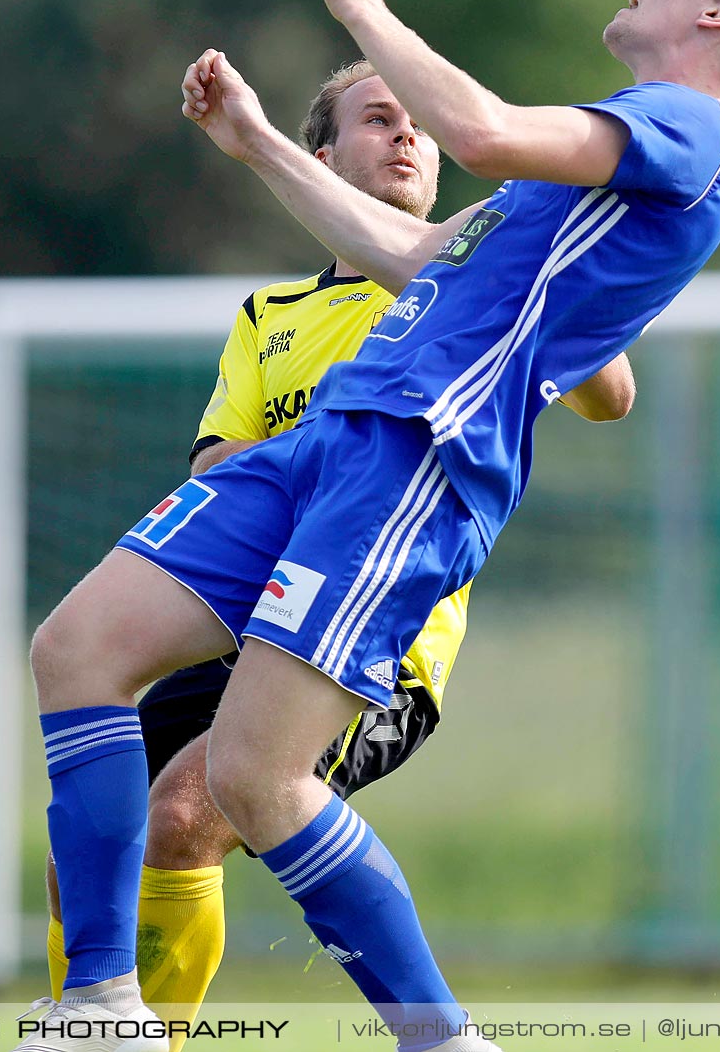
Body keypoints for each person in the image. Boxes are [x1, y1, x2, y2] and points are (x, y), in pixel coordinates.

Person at [19, 0, 720, 1052]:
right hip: (339, 434)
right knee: (77, 648)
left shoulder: (692, 122)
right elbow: (422, 252)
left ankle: (443, 1041)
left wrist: (362, 11)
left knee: (253, 780)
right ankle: (100, 1009)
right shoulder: (619, 149)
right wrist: (256, 143)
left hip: (418, 454)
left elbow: (481, 133)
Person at [39, 60, 636, 1037]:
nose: (407, 135)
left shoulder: (469, 279)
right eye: (378, 118)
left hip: (373, 631)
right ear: (322, 157)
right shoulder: (267, 317)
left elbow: (608, 391)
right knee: (86, 856)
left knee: (187, 812)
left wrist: (546, 297)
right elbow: (221, 466)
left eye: (419, 124)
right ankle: (92, 1013)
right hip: (240, 615)